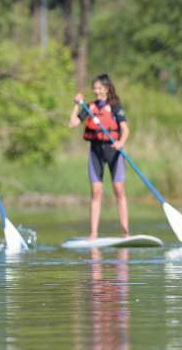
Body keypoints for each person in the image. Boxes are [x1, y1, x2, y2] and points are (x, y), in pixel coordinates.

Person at [68, 73, 130, 239]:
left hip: (114, 152)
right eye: (94, 88)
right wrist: (76, 105)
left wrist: (121, 143)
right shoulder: (89, 107)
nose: (96, 91)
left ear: (107, 89)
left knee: (119, 190)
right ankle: (93, 234)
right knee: (96, 192)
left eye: (99, 88)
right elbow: (72, 123)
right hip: (96, 152)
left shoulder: (116, 106)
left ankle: (125, 232)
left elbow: (125, 130)